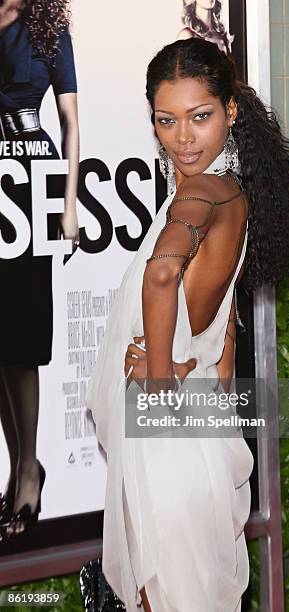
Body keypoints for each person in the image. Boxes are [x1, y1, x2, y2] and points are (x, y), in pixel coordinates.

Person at [86, 38, 289, 612]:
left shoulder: (207, 192)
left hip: (167, 433)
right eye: (167, 120)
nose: (183, 138)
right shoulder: (231, 193)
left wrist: (160, 384)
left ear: (230, 111)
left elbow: (162, 276)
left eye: (200, 116)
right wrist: (198, 374)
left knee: (167, 590)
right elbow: (225, 319)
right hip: (196, 423)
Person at [0, 0, 79, 540]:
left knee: (22, 337)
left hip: (29, 185)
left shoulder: (49, 29)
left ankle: (29, 469)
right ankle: (18, 467)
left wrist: (69, 206)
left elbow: (71, 120)